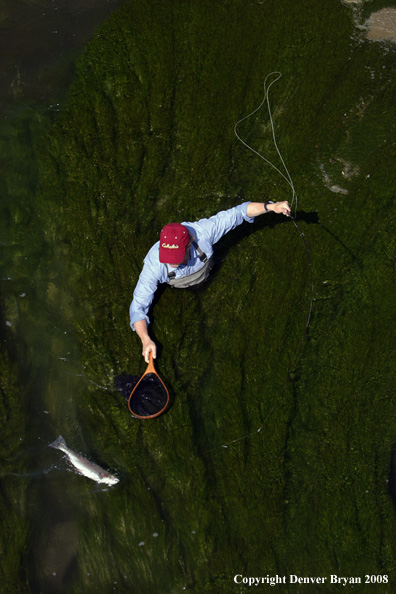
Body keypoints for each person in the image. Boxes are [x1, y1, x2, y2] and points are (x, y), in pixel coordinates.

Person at [130, 200, 291, 361]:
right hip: (183, 285)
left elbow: (238, 213)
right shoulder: (154, 265)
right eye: (167, 257)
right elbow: (138, 307)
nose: (171, 262)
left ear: (188, 245)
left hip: (207, 270)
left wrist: (271, 207)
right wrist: (146, 339)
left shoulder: (204, 232)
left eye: (176, 258)